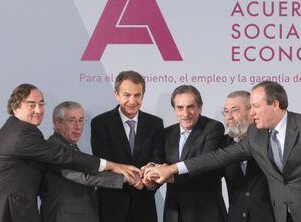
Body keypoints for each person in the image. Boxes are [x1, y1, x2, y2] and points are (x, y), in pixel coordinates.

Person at [146, 81, 301, 222]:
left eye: (255, 106)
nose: (252, 112)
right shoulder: (257, 137)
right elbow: (216, 158)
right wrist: (172, 168)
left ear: (275, 104)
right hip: (281, 216)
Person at [0, 84, 140, 222]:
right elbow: (69, 162)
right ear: (16, 107)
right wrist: (118, 169)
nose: (38, 110)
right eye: (31, 105)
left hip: (9, 210)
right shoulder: (23, 133)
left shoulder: (21, 130)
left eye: (41, 104)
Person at [40, 101, 142, 222]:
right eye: (72, 120)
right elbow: (85, 176)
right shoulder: (54, 148)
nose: (78, 126)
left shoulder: (69, 147)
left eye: (81, 120)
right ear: (58, 123)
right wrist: (127, 177)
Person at [90, 71, 165, 222]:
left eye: (137, 95)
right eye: (127, 95)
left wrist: (149, 176)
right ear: (116, 94)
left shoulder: (155, 123)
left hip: (145, 206)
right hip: (111, 206)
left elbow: (158, 157)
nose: (132, 101)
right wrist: (131, 179)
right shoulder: (100, 123)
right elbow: (103, 162)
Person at [162, 85, 227, 222]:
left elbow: (205, 167)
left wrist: (169, 176)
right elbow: (160, 163)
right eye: (180, 108)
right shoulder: (167, 133)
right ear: (174, 109)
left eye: (190, 106)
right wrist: (150, 172)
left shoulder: (213, 128)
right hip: (174, 213)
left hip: (205, 213)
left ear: (200, 107)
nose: (185, 113)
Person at [221, 91, 274, 222]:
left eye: (234, 111)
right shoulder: (222, 143)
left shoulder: (270, 139)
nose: (229, 117)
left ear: (251, 110)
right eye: (226, 112)